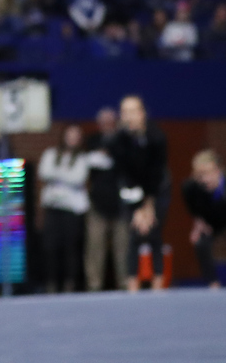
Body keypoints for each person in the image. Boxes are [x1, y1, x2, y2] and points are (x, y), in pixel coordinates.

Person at [110, 95, 169, 292]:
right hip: (131, 191)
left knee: (154, 232)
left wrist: (149, 206)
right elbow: (124, 176)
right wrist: (136, 209)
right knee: (134, 234)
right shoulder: (118, 140)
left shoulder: (157, 137)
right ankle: (132, 286)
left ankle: (158, 284)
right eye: (124, 112)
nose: (129, 117)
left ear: (142, 113)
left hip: (158, 190)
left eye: (133, 111)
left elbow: (156, 174)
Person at [181, 151, 226, 288]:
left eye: (208, 173)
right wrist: (199, 223)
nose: (204, 179)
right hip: (209, 223)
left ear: (218, 170)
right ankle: (213, 283)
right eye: (200, 175)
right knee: (200, 241)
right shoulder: (189, 188)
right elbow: (194, 210)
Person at [39, 124, 94, 293]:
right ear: (63, 136)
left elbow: (78, 178)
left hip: (73, 211)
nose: (72, 138)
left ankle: (71, 285)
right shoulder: (51, 153)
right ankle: (52, 284)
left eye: (76, 135)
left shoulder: (83, 158)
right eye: (70, 135)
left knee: (72, 248)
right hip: (53, 209)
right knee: (51, 248)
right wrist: (65, 176)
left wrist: (57, 174)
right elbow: (43, 172)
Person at [84, 107, 127, 292]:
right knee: (95, 246)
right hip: (97, 202)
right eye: (103, 122)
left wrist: (109, 154)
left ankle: (125, 283)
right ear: (99, 124)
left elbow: (123, 161)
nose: (107, 125)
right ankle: (94, 285)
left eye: (110, 121)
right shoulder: (92, 140)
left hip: (121, 201)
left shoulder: (124, 140)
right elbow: (88, 164)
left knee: (123, 247)